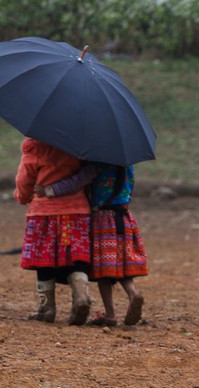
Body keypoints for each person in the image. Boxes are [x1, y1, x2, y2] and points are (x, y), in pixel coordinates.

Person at [36, 162, 147, 326]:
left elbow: (79, 182)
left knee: (104, 271)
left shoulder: (97, 165)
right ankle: (133, 293)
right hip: (124, 218)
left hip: (103, 219)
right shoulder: (127, 165)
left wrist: (50, 190)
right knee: (122, 267)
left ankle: (110, 315)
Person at [14, 137, 93, 325]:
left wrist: (22, 197)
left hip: (44, 213)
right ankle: (81, 295)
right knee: (76, 258)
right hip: (77, 212)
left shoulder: (35, 146)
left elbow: (24, 179)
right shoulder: (79, 143)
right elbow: (87, 175)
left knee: (43, 259)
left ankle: (46, 309)